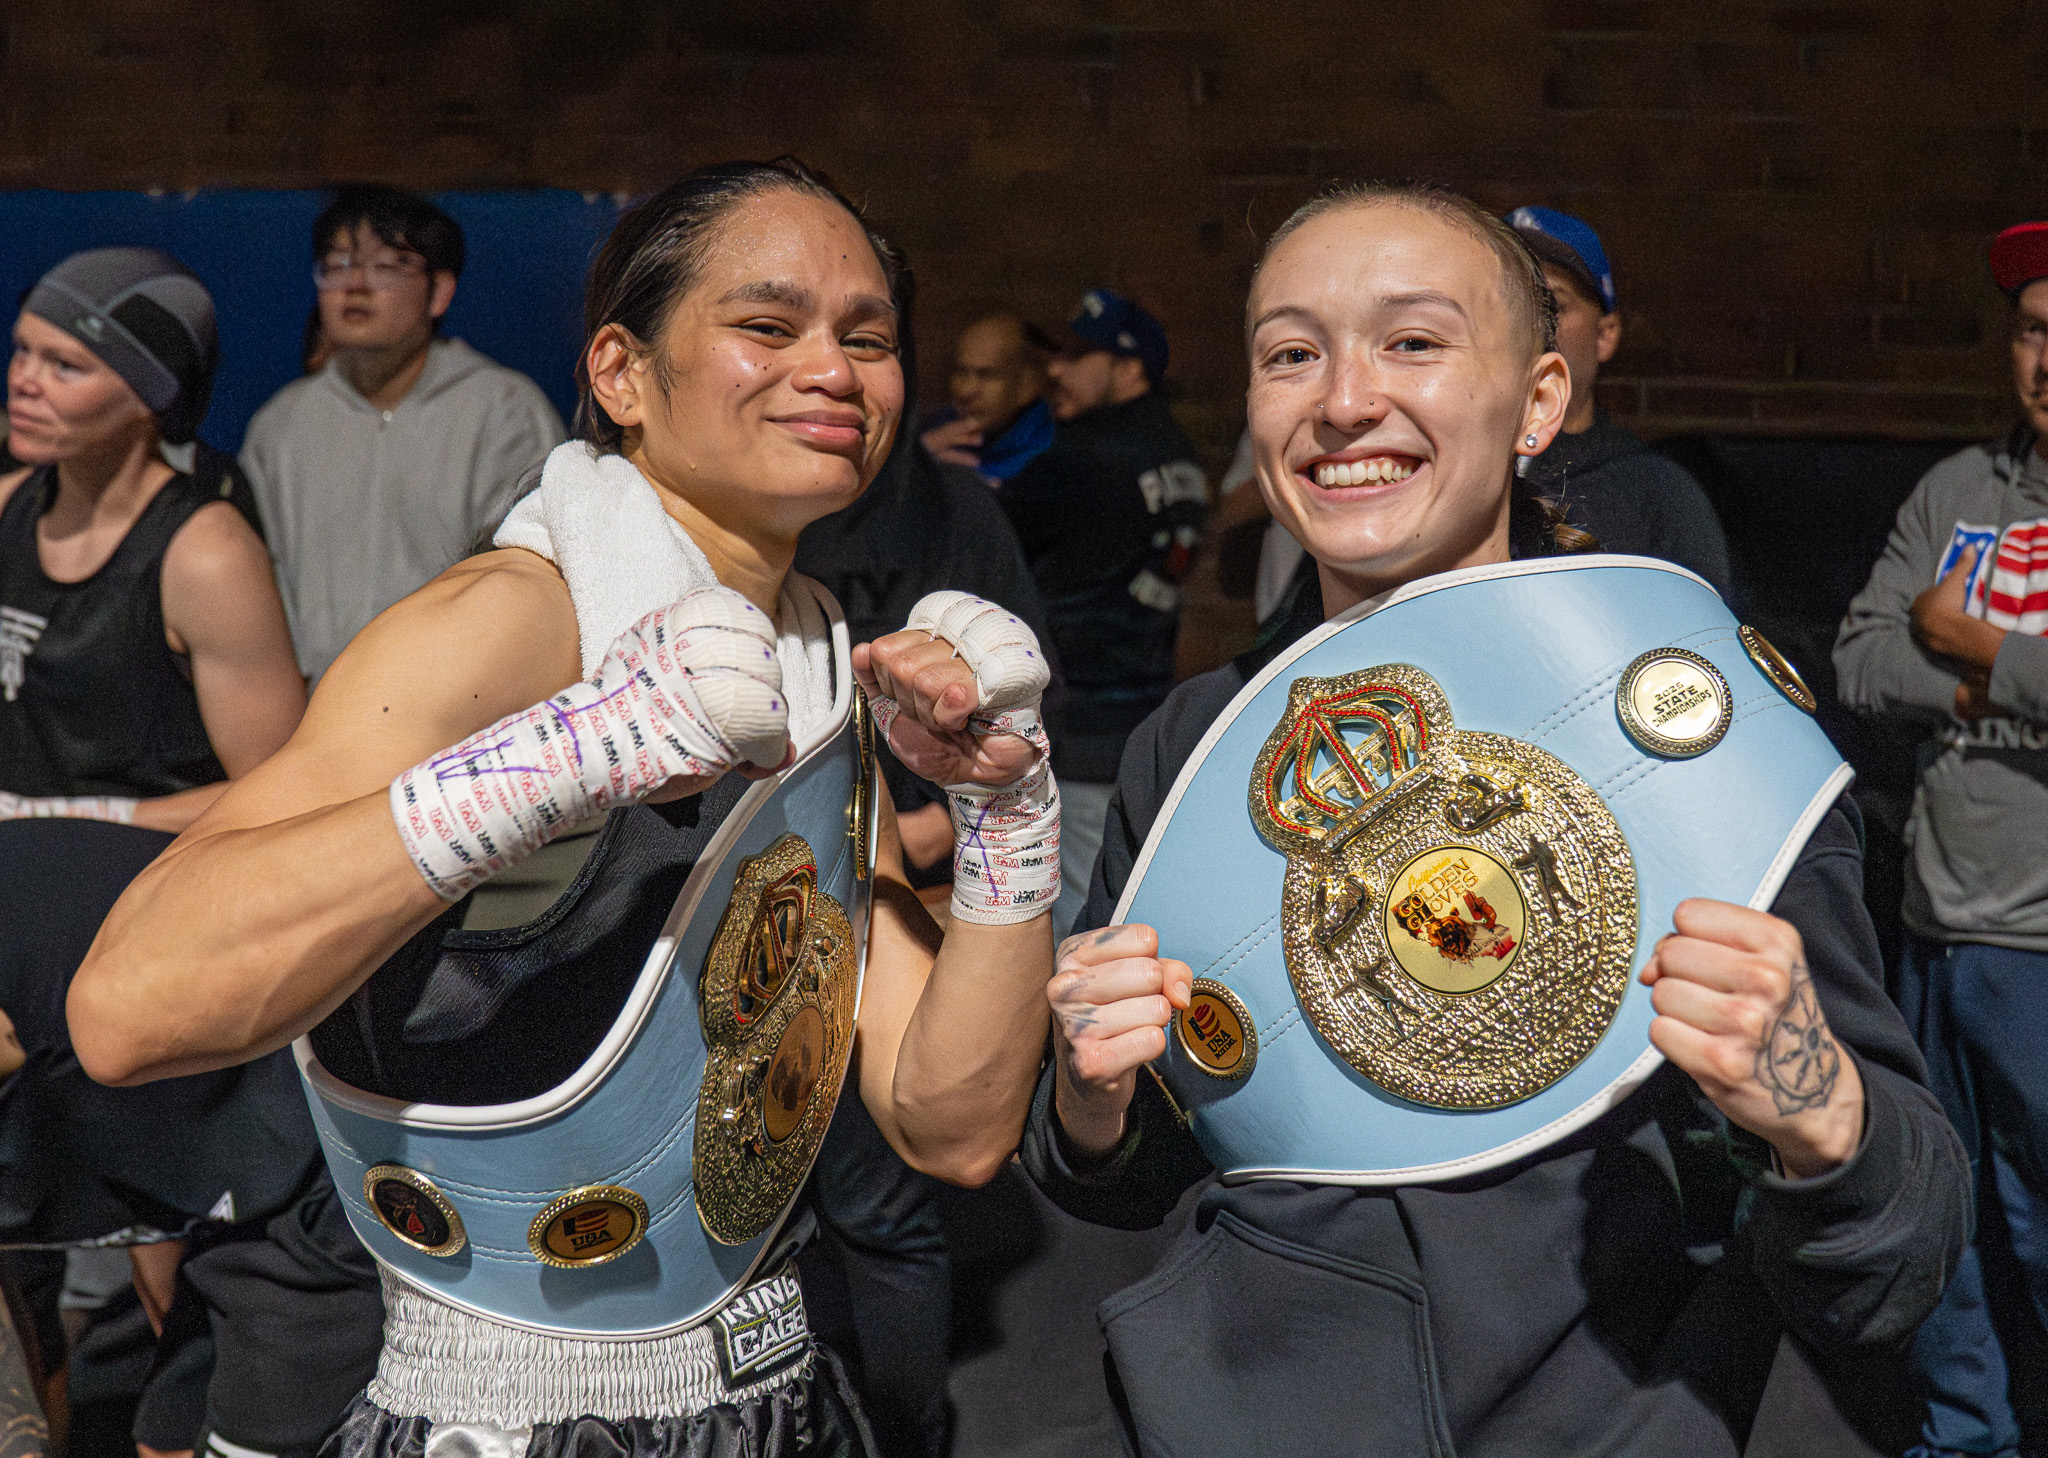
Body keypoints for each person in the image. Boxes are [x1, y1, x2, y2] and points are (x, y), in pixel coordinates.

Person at [66, 159, 1060, 1458]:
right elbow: (129, 1007)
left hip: (766, 1387)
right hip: (482, 1408)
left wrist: (1006, 819)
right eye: (768, 325)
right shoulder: (514, 620)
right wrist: (581, 747)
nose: (836, 367)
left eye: (867, 337)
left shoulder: (815, 659)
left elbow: (956, 1118)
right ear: (621, 375)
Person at [1022, 183, 1968, 1457]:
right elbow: (1125, 1181)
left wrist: (1815, 1111)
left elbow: (1898, 1243)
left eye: (1411, 342)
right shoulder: (1193, 745)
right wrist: (1091, 1100)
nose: (1343, 400)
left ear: (1538, 402)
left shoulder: (1693, 727)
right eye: (1290, 354)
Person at [0, 249, 383, 1458]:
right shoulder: (4, 503)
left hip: (147, 939)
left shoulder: (203, 551)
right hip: (21, 928)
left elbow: (285, 794)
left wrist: (77, 826)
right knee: (29, 1271)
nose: (26, 381)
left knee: (180, 1282)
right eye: (23, 350)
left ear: (150, 395)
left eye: (68, 363)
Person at [1834, 221, 2048, 1458]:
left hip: (2039, 944)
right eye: (2031, 332)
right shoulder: (1956, 490)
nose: (2044, 360)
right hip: (1934, 923)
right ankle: (1965, 1439)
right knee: (1949, 1216)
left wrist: (1975, 646)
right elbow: (1859, 658)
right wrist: (1980, 694)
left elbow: (1919, 641)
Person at [241, 186, 565, 683]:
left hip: (458, 708)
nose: (356, 284)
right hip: (316, 714)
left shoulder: (504, 410)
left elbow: (531, 579)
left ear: (440, 291)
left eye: (388, 266)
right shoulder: (280, 426)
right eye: (337, 265)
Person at [1000, 289, 1208, 935]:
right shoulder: (1179, 453)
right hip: (1144, 724)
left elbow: (985, 548)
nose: (1056, 369)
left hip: (1074, 726)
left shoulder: (1078, 459)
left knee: (1075, 928)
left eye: (1080, 355)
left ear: (1131, 369)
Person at [1504, 205, 1734, 596]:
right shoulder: (1451, 471)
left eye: (1552, 306)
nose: (1530, 323)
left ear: (1605, 335)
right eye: (1511, 303)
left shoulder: (1657, 494)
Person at [918, 311, 1057, 484]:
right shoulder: (937, 428)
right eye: (961, 371)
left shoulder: (1054, 452)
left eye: (987, 376)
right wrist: (920, 453)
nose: (965, 391)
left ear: (1026, 386)